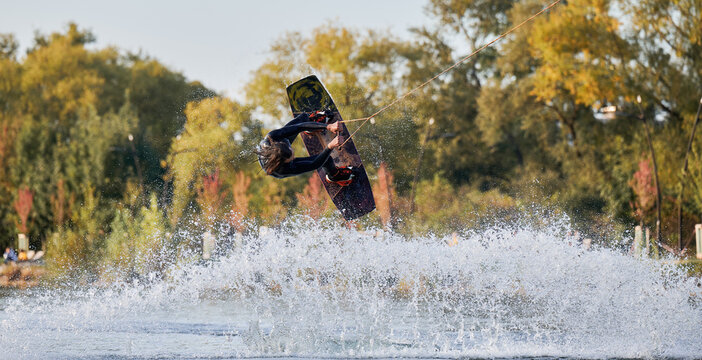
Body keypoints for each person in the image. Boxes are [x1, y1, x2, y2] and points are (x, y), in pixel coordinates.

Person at [256, 111, 354, 185]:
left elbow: (299, 127)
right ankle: (334, 176)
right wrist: (330, 146)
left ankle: (312, 127)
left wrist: (328, 126)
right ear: (286, 162)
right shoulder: (283, 169)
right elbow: (314, 164)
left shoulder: (272, 137)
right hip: (279, 167)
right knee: (326, 159)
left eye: (291, 150)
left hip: (278, 145)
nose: (293, 152)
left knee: (303, 118)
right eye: (291, 157)